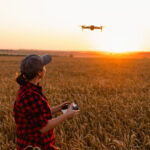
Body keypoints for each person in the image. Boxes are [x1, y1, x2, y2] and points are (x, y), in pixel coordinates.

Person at [13, 54, 80, 150]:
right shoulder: (30, 95)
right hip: (35, 145)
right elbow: (43, 127)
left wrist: (59, 108)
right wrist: (66, 115)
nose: (45, 68)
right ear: (39, 73)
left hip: (36, 143)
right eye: (44, 66)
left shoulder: (28, 89)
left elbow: (36, 115)